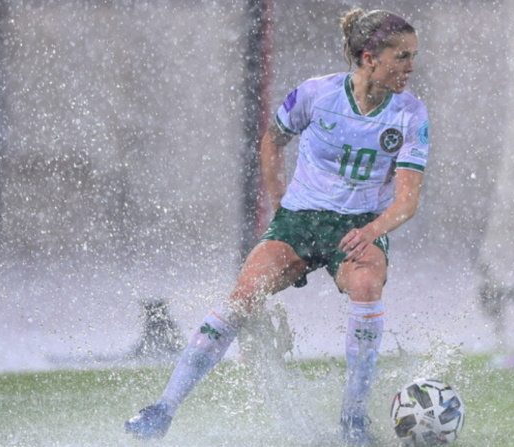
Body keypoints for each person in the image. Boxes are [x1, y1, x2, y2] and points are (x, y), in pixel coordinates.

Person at [124, 8, 428, 446]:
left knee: (365, 286)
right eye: (401, 57)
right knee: (241, 299)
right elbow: (272, 139)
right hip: (299, 220)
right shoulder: (315, 94)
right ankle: (162, 410)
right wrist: (279, 200)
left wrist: (370, 230)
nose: (410, 67)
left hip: (361, 225)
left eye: (412, 56)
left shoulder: (411, 114)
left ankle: (353, 419)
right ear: (368, 59)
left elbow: (407, 201)